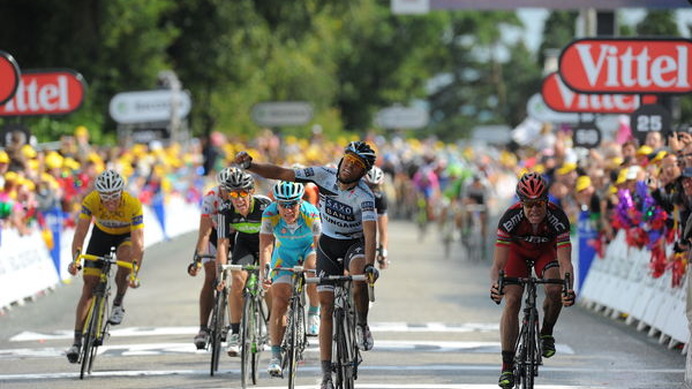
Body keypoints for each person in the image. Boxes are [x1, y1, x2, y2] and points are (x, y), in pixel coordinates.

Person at [234, 140, 380, 389]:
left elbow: (370, 232)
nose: (349, 167)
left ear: (363, 172)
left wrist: (370, 264)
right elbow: (282, 173)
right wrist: (251, 165)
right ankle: (325, 373)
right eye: (348, 159)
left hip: (354, 244)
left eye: (357, 165)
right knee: (326, 306)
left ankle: (362, 324)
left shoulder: (365, 197)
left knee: (358, 274)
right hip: (328, 244)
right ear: (342, 158)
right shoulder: (324, 174)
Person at [489, 172, 576, 389]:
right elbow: (498, 264)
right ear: (521, 204)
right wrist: (496, 285)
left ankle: (546, 332)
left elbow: (565, 262)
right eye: (529, 205)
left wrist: (568, 288)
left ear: (547, 202)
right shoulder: (510, 219)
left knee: (555, 288)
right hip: (516, 255)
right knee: (512, 300)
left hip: (545, 253)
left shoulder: (558, 218)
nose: (534, 210)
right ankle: (507, 366)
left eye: (539, 204)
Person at [65, 169, 144, 363]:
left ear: (121, 194)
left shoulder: (133, 204)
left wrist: (134, 273)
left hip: (125, 236)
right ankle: (76, 342)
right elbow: (80, 233)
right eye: (105, 198)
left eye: (114, 198)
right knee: (89, 287)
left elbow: (138, 244)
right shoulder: (91, 200)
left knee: (125, 257)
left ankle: (118, 302)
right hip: (100, 235)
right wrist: (75, 259)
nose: (109, 203)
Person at [260, 181, 322, 377]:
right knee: (279, 301)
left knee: (312, 268)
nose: (288, 210)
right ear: (276, 203)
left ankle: (313, 310)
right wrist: (265, 272)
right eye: (283, 205)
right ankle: (276, 355)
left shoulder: (311, 212)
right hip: (284, 254)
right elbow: (266, 246)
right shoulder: (270, 214)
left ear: (300, 202)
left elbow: (319, 245)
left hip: (309, 249)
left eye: (292, 204)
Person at [215, 168, 272, 357]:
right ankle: (236, 332)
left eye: (242, 193)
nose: (238, 199)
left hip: (268, 243)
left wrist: (267, 270)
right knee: (237, 280)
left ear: (251, 192)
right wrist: (221, 273)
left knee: (269, 282)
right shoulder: (225, 209)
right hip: (245, 243)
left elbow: (271, 241)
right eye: (233, 194)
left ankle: (273, 325)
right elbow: (223, 243)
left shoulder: (265, 206)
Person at [187, 167, 236, 349]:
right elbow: (204, 233)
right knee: (210, 277)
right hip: (216, 235)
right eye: (224, 189)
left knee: (242, 277)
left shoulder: (242, 197)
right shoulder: (211, 198)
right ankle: (203, 328)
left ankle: (241, 322)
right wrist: (198, 258)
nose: (228, 193)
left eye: (231, 189)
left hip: (238, 236)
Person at [364, 166, 390, 269]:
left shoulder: (380, 198)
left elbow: (383, 231)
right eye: (368, 186)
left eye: (374, 187)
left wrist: (383, 253)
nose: (371, 191)